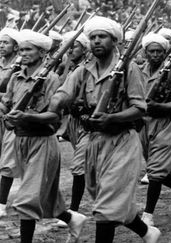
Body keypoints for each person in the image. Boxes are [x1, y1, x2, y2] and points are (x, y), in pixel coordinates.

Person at [48, 16, 160, 242]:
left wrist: (112, 118)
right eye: (93, 37)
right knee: (105, 197)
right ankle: (147, 232)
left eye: (103, 36)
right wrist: (54, 106)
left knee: (107, 206)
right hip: (95, 141)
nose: (97, 41)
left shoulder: (129, 69)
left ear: (114, 40)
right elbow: (64, 93)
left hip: (122, 142)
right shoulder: (83, 70)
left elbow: (140, 107)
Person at [0, 29, 87, 243]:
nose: (24, 54)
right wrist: (5, 111)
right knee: (47, 199)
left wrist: (27, 117)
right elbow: (7, 104)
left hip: (42, 142)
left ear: (42, 52)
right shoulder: (16, 76)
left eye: (28, 50)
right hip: (20, 140)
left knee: (27, 199)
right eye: (21, 50)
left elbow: (54, 117)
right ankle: (71, 218)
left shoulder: (51, 78)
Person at [139, 33, 171, 226]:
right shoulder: (138, 71)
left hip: (166, 124)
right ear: (145, 53)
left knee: (154, 171)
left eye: (159, 51)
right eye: (151, 51)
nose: (155, 55)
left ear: (165, 53)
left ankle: (148, 215)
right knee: (155, 168)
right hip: (143, 125)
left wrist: (161, 107)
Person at [54, 31, 91, 227]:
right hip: (74, 123)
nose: (70, 50)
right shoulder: (71, 68)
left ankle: (74, 210)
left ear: (85, 49)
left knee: (78, 167)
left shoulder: (87, 68)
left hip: (88, 123)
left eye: (74, 46)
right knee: (88, 166)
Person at [0, 27, 20, 218]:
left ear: (15, 46)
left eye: (6, 42)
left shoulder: (20, 66)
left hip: (9, 117)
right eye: (0, 42)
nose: (1, 46)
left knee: (7, 162)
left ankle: (1, 203)